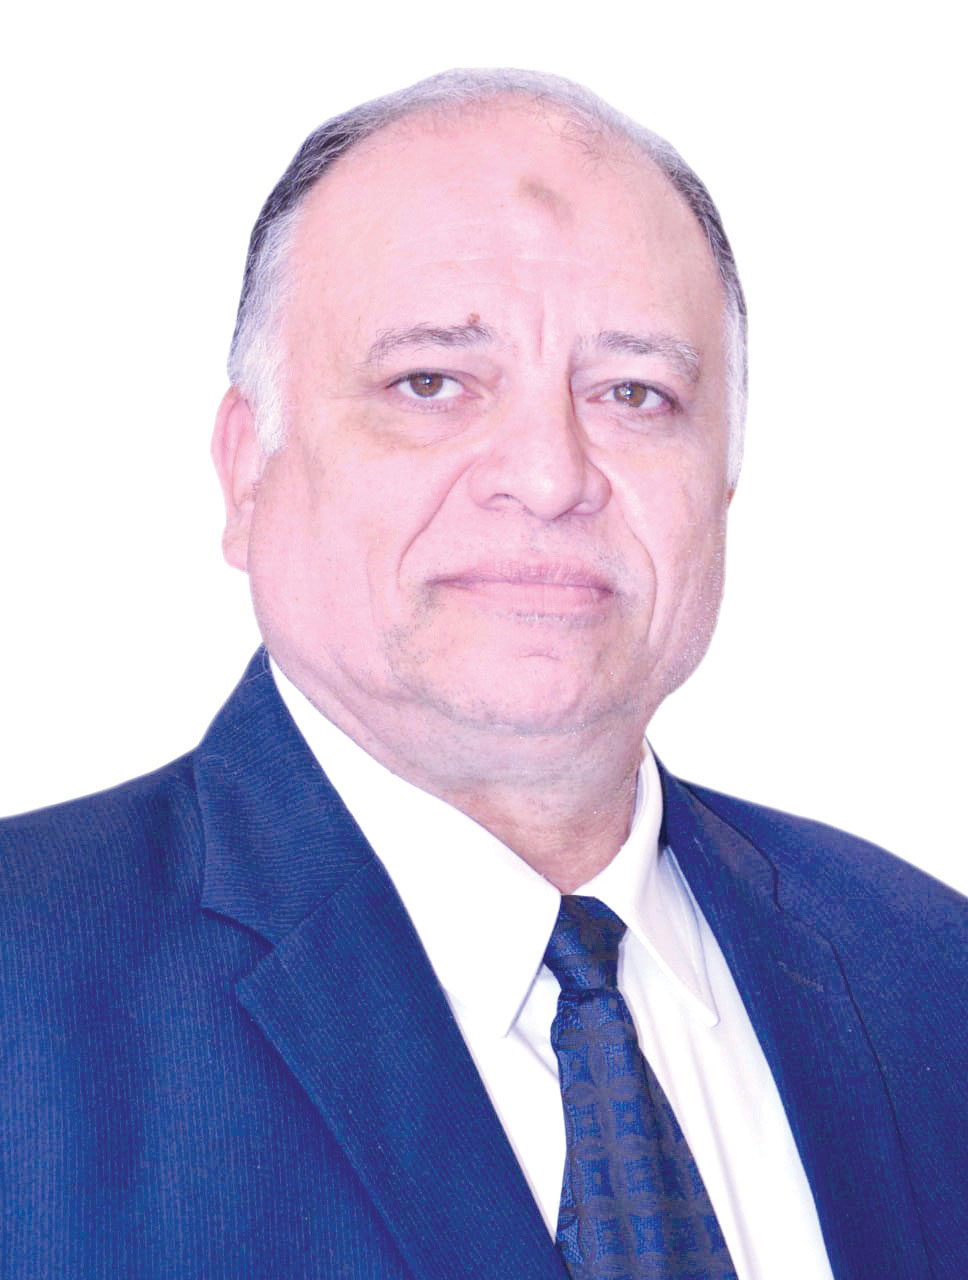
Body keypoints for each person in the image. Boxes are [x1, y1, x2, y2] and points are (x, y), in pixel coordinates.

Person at [1, 69, 964, 1280]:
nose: (549, 475)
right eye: (430, 383)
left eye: (633, 392)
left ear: (724, 479)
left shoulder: (928, 974)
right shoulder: (24, 982)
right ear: (247, 468)